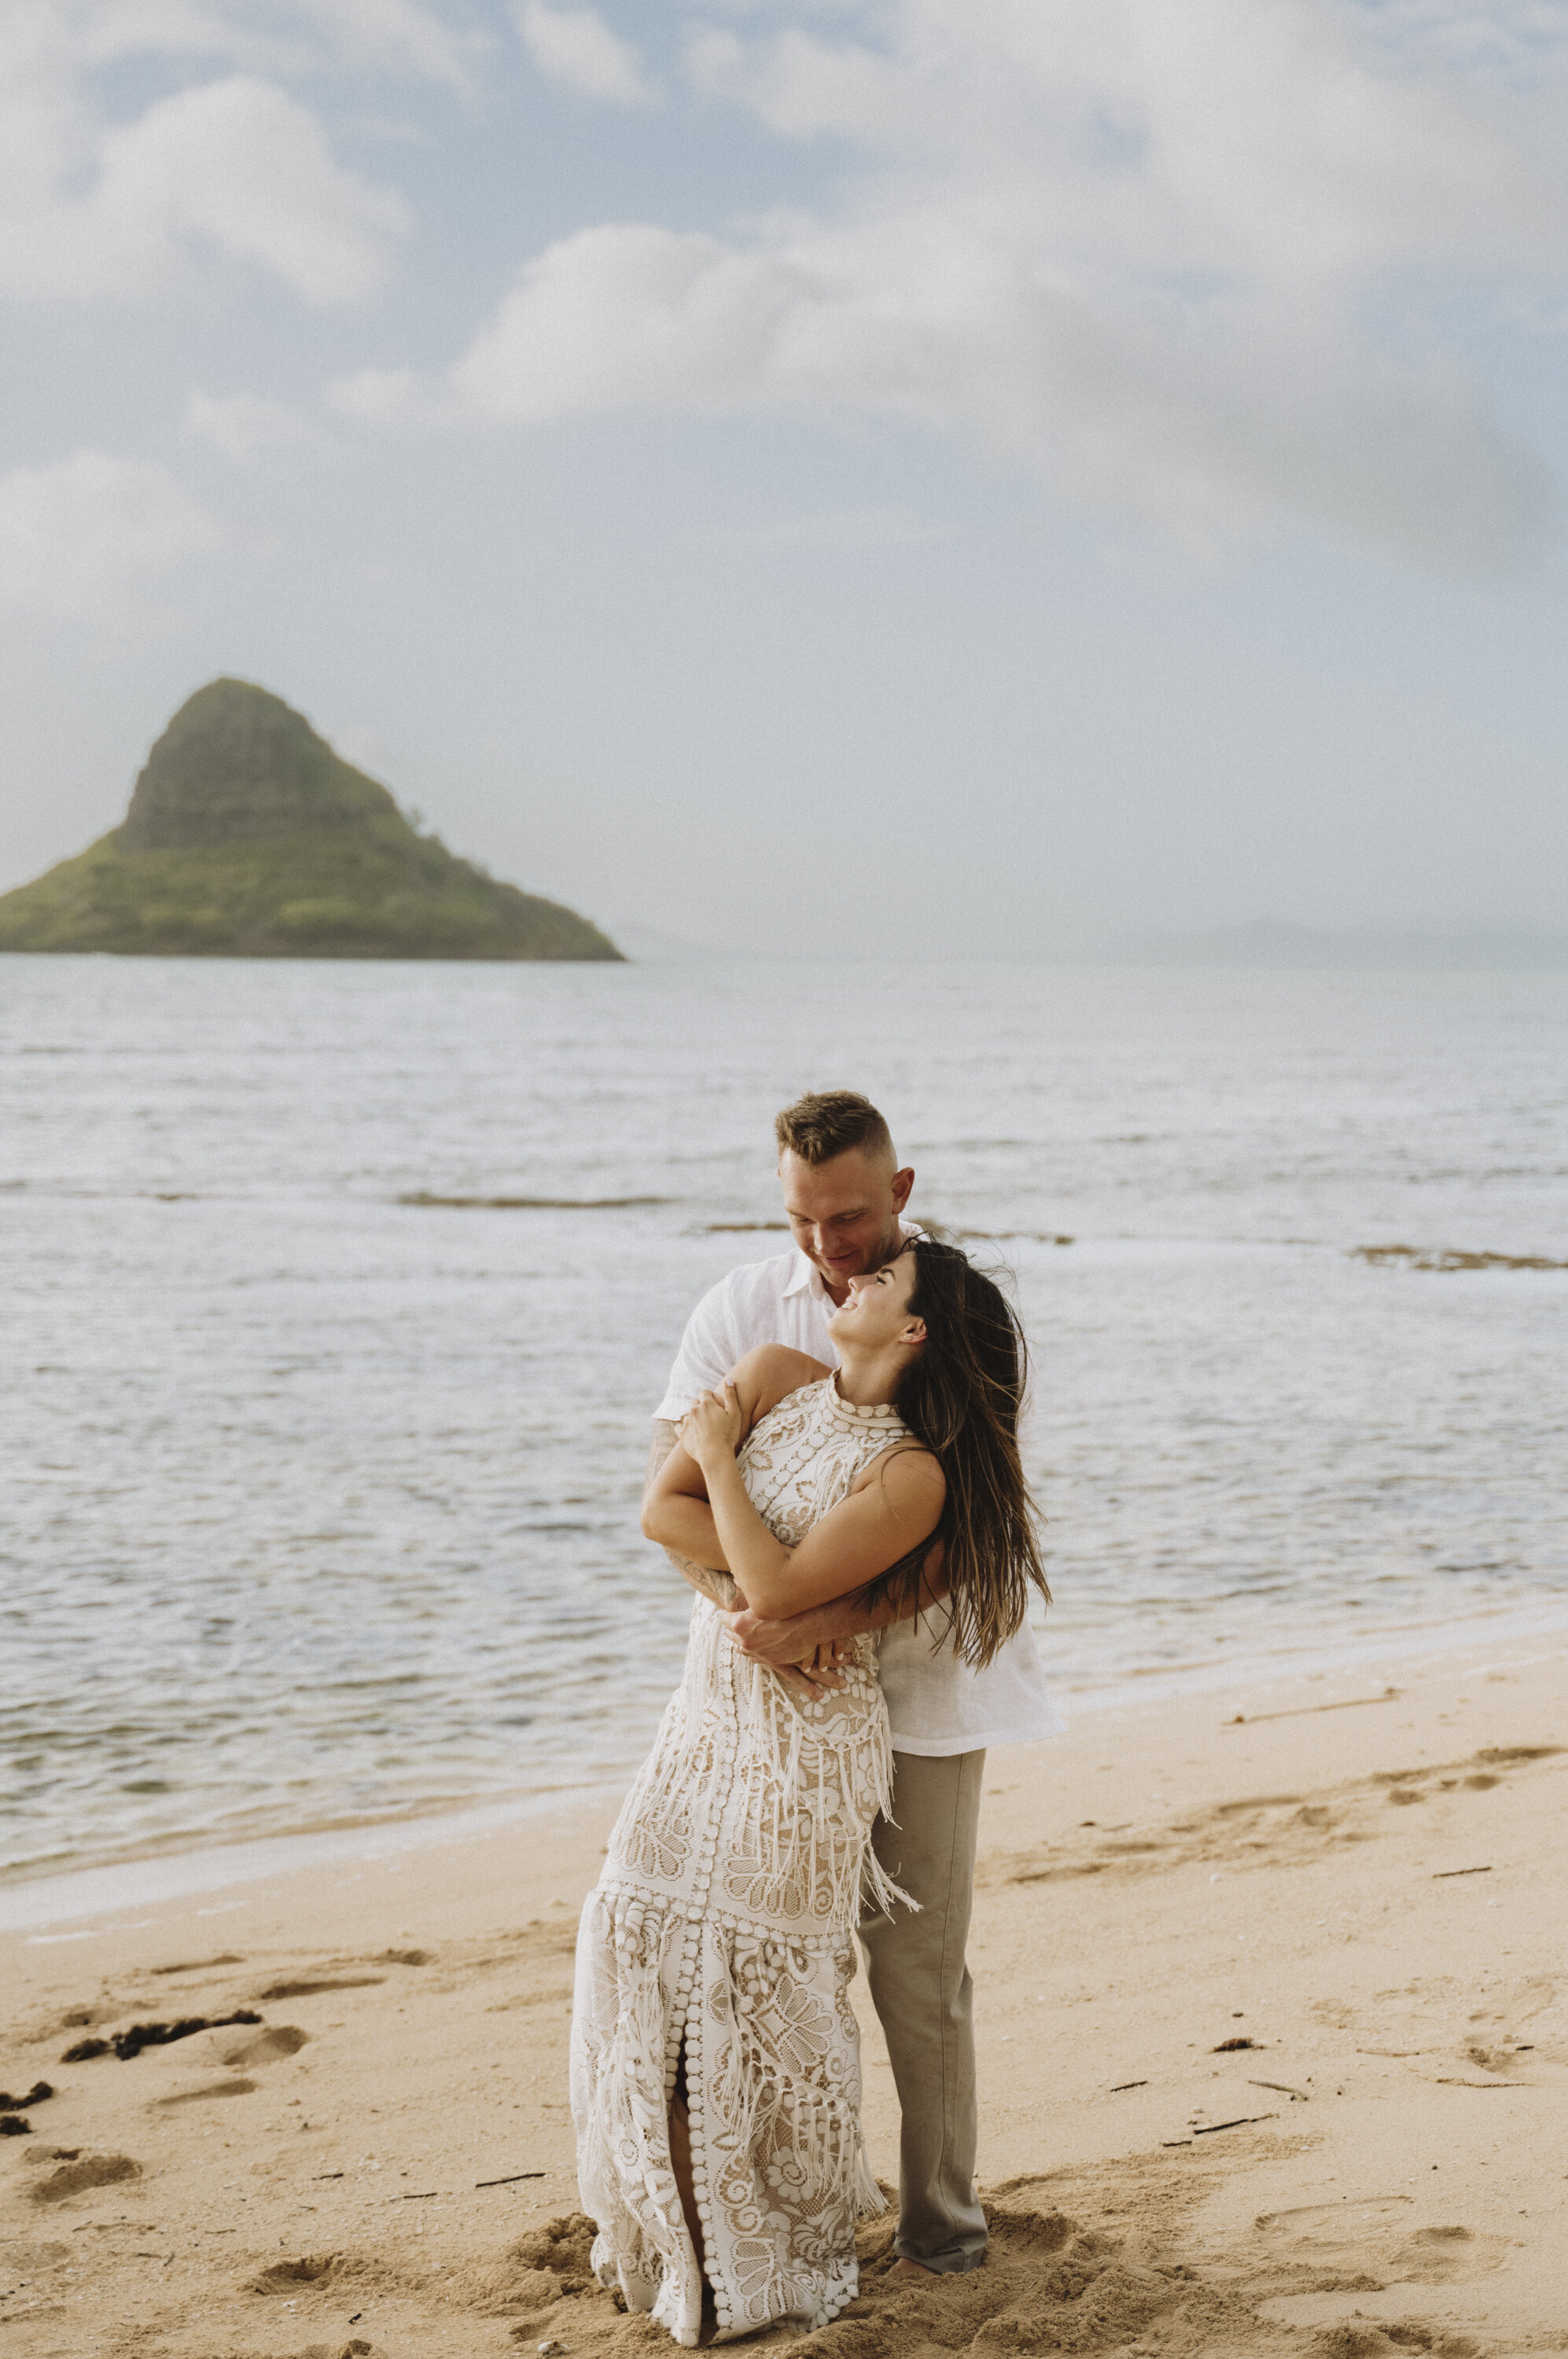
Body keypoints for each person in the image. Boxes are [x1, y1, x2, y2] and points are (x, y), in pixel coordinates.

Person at [570, 1228, 1048, 2344]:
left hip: (805, 1746)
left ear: (914, 1328)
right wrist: (768, 1596)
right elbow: (662, 1515)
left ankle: (794, 2247)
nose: (846, 1275)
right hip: (705, 1722)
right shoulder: (780, 1373)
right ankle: (688, 2235)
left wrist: (721, 1459)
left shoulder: (912, 1472)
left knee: (753, 1991)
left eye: (879, 1276)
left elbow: (774, 1573)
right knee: (634, 1939)